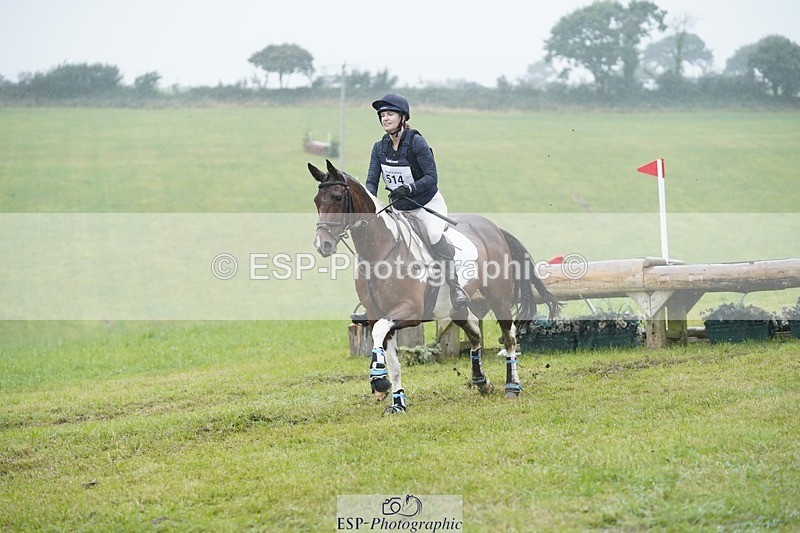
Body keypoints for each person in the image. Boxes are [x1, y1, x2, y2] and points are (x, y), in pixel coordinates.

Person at [366, 93, 469, 309]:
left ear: (402, 117)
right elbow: (372, 182)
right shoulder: (379, 148)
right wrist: (370, 207)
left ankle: (455, 286)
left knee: (432, 234)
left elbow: (431, 178)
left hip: (427, 204)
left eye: (390, 114)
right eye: (382, 115)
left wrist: (410, 188)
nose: (385, 118)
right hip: (399, 208)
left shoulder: (417, 143)